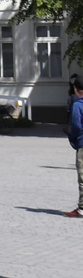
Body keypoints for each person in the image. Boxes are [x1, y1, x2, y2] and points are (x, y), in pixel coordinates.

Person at [65, 77, 83, 217]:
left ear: (77, 90)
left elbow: (76, 126)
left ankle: (82, 208)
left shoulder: (78, 105)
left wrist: (72, 138)